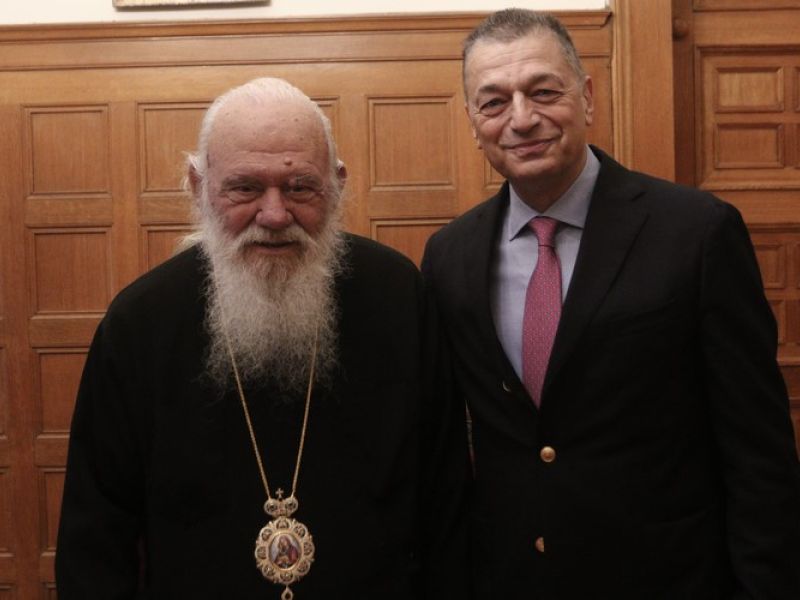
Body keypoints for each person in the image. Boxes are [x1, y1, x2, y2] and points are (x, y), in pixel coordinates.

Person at [421, 9, 800, 599]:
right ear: (473, 122)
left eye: (544, 92)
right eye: (493, 102)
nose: (522, 118)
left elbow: (758, 449)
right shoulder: (449, 256)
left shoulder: (697, 233)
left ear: (588, 97)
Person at [56, 77, 468, 599]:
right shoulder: (140, 322)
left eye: (300, 188)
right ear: (197, 185)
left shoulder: (398, 296)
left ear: (337, 185)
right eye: (245, 188)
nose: (274, 215)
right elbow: (96, 537)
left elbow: (446, 501)